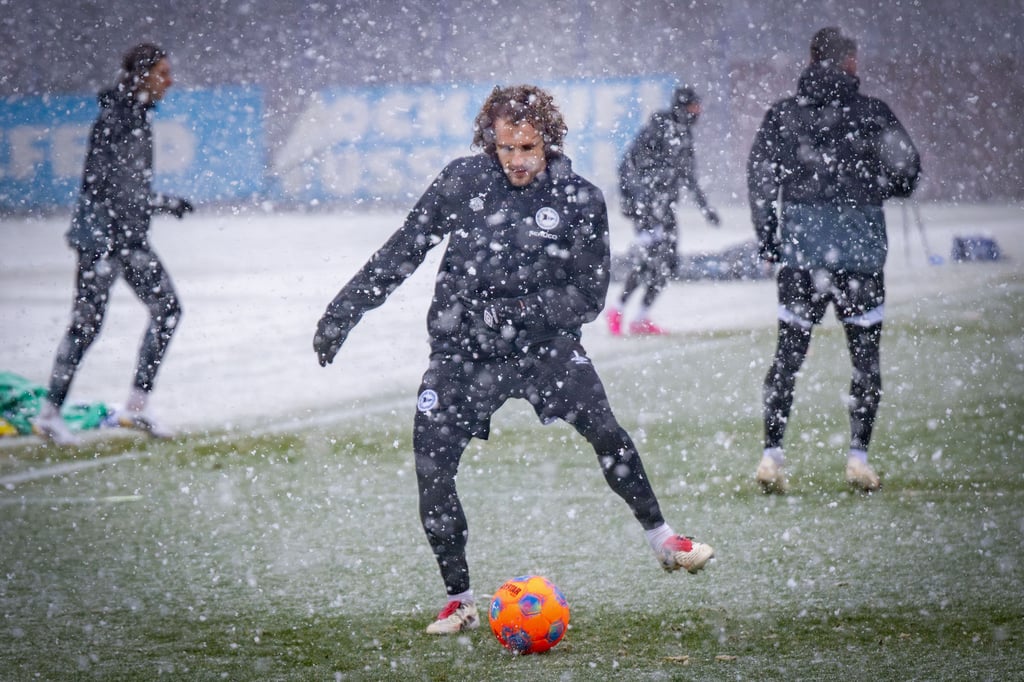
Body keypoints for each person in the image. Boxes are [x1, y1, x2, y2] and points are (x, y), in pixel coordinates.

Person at [314, 85, 714, 635]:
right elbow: (403, 248)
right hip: (464, 350)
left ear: (547, 141)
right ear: (490, 143)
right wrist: (344, 311)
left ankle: (664, 539)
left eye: (528, 148)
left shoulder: (579, 198)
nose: (518, 160)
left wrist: (520, 310)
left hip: (544, 349)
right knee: (432, 466)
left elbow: (589, 297)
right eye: (507, 149)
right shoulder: (463, 182)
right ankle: (459, 600)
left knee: (607, 433)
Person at [747, 27, 920, 493]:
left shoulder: (784, 115)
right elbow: (908, 170)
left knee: (788, 356)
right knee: (865, 359)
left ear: (810, 58)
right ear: (851, 63)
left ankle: (772, 454)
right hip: (861, 254)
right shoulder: (872, 113)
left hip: (803, 253)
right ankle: (858, 458)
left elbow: (761, 176)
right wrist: (874, 189)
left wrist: (768, 237)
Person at [31, 43, 193, 446]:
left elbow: (126, 188)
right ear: (141, 77)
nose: (169, 81)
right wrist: (165, 203)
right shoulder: (121, 119)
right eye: (162, 73)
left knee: (164, 310)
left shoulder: (131, 114)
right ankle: (52, 415)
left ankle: (134, 407)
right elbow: (119, 190)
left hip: (123, 237)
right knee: (90, 324)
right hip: (105, 240)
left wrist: (151, 205)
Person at [607, 85, 720, 336]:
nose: (697, 112)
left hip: (665, 208)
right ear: (682, 107)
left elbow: (688, 175)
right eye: (694, 107)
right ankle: (617, 310)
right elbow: (628, 165)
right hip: (647, 210)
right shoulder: (657, 129)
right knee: (649, 262)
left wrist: (705, 209)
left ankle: (640, 318)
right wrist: (635, 203)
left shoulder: (684, 135)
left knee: (669, 264)